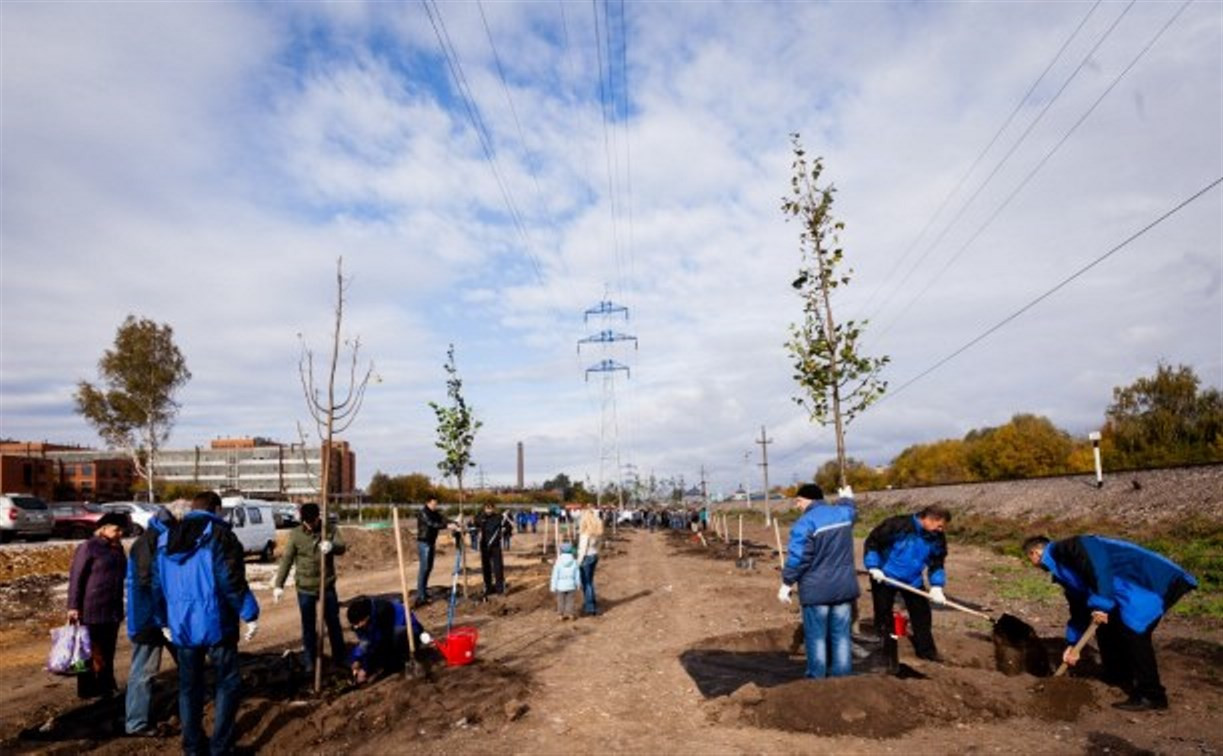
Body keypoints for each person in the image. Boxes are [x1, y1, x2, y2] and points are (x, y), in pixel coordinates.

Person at [1023, 534, 1197, 711]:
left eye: (1030, 559)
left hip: (1152, 581)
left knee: (1135, 632)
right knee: (1106, 626)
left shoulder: (1073, 546)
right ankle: (1117, 674)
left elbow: (1100, 567)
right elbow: (1079, 609)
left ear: (1035, 552)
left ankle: (1152, 695)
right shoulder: (1063, 572)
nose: (1033, 565)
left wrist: (1101, 604)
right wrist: (1073, 643)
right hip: (1122, 591)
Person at [154, 491, 259, 756]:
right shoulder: (219, 535)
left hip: (182, 626)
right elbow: (231, 580)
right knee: (228, 683)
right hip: (216, 624)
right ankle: (220, 747)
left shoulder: (166, 539)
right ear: (215, 508)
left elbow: (156, 585)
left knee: (189, 687)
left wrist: (162, 619)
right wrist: (249, 612)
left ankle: (192, 747)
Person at [778, 483, 858, 678]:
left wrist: (786, 583)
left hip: (816, 591)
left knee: (816, 637)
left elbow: (798, 558)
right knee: (841, 636)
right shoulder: (843, 514)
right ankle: (842, 677)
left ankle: (817, 680)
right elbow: (851, 510)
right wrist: (847, 498)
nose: (797, 506)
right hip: (843, 587)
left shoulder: (805, 524)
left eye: (798, 501)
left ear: (808, 499)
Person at [863, 505, 951, 663]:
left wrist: (937, 586)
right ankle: (884, 653)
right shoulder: (897, 525)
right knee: (883, 616)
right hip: (885, 576)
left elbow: (937, 561)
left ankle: (926, 651)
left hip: (912, 580)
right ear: (929, 519)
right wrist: (873, 566)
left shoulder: (936, 537)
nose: (941, 530)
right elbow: (873, 543)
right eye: (939, 526)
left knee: (922, 615)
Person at [272, 502, 347, 673]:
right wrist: (279, 585)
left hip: (326, 584)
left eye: (312, 522)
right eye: (306, 522)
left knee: (333, 623)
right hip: (305, 587)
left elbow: (342, 547)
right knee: (308, 626)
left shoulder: (329, 529)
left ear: (318, 518)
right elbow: (287, 560)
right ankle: (310, 661)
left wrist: (331, 546)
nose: (310, 525)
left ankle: (340, 658)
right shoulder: (296, 534)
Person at [124, 504, 176, 736]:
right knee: (143, 673)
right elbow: (148, 584)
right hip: (149, 618)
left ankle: (194, 706)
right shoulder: (147, 544)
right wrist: (161, 618)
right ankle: (136, 723)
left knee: (189, 664)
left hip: (164, 617)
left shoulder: (157, 540)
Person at [67, 511, 129, 699]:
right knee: (87, 651)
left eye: (122, 530)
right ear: (103, 528)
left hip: (112, 608)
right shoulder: (88, 547)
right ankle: (86, 689)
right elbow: (76, 578)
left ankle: (106, 685)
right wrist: (73, 606)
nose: (120, 534)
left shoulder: (117, 548)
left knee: (108, 650)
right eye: (117, 529)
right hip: (90, 607)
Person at [346, 595, 429, 683]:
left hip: (410, 634)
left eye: (358, 624)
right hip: (388, 638)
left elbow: (382, 643)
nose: (356, 627)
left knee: (397, 636)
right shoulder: (363, 621)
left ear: (366, 618)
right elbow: (365, 643)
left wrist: (366, 669)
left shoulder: (383, 612)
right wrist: (356, 660)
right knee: (375, 650)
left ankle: (404, 660)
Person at [414, 498, 454, 607]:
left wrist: (454, 522)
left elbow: (443, 519)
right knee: (424, 568)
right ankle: (420, 596)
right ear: (427, 503)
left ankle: (424, 592)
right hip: (424, 543)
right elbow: (431, 524)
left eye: (436, 504)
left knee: (429, 568)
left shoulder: (434, 513)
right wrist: (446, 526)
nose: (435, 506)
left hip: (431, 543)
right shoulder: (423, 513)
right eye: (433, 504)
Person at [576, 504, 604, 616]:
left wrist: (578, 562)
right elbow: (599, 545)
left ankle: (590, 607)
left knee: (586, 583)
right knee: (590, 582)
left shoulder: (585, 534)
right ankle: (592, 603)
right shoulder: (596, 533)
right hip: (594, 556)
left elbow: (582, 549)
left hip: (586, 557)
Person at [474, 503, 507, 597]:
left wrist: (504, 530)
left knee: (498, 567)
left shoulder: (499, 517)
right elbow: (474, 524)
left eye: (490, 508)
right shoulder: (480, 517)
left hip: (495, 546)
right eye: (487, 508)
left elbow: (507, 526)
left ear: (493, 509)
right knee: (486, 568)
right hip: (484, 546)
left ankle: (499, 588)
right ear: (484, 509)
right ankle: (488, 588)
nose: (489, 510)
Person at [551, 542, 580, 620]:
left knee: (560, 601)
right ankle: (570, 614)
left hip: (560, 586)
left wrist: (553, 586)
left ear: (561, 551)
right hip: (571, 585)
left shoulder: (558, 562)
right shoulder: (574, 562)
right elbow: (577, 574)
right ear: (571, 551)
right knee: (570, 600)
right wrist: (578, 584)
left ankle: (560, 615)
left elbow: (555, 575)